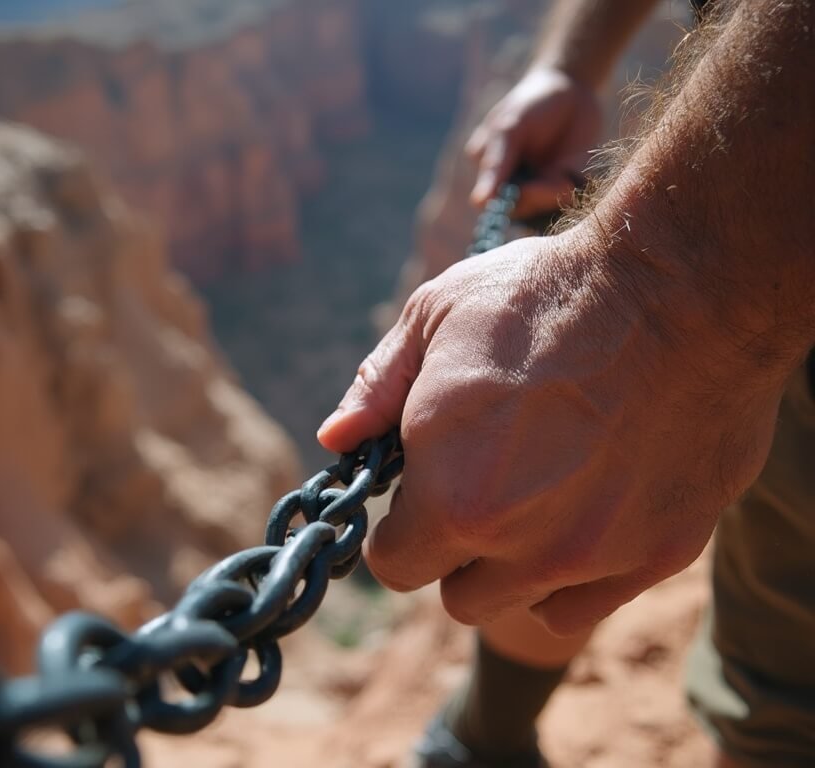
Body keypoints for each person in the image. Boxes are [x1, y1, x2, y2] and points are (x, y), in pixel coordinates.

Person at [316, 0, 815, 766]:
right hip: (745, 178)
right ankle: (485, 735)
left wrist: (664, 301)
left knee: (786, 689)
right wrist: (570, 62)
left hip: (742, 207)